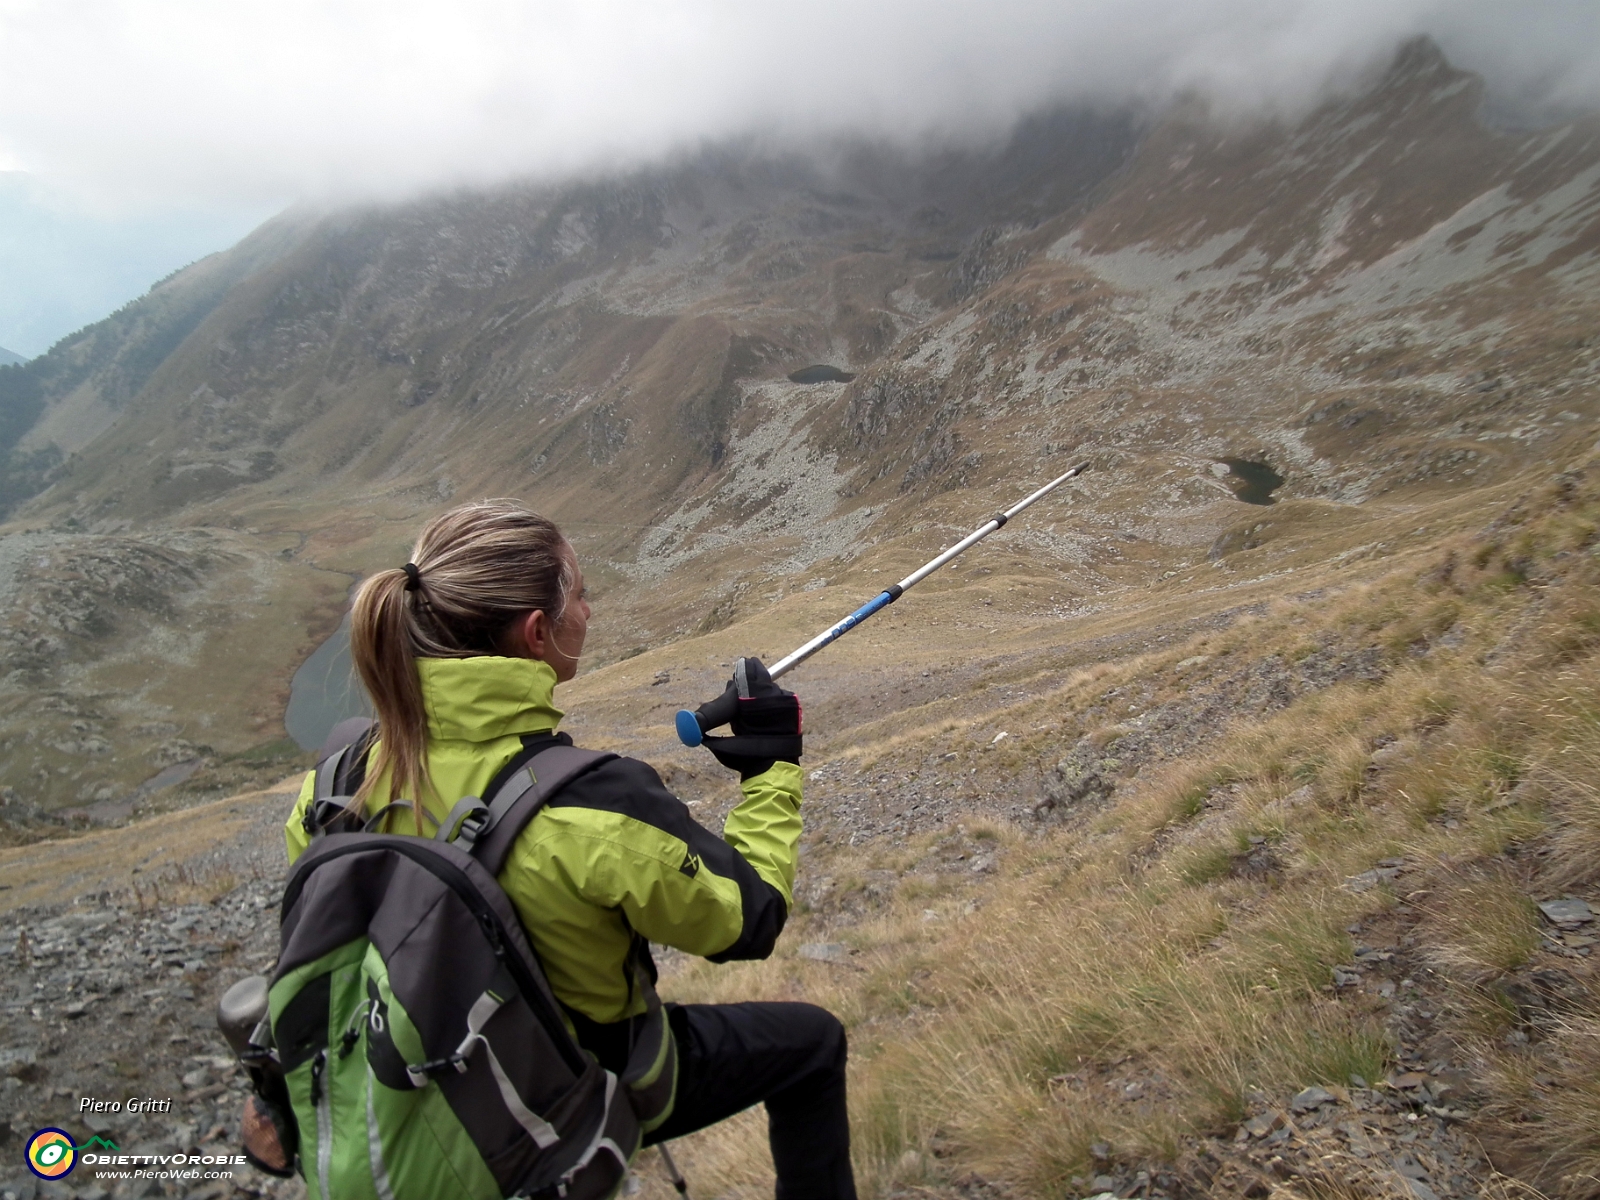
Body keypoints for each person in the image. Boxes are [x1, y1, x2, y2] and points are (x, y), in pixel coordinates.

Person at [283, 498, 856, 1200]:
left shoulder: (333, 783)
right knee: (812, 1045)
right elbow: (748, 919)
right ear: (536, 633)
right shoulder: (590, 803)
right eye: (579, 594)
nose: (589, 609)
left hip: (385, 1095)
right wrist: (772, 772)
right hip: (566, 1089)